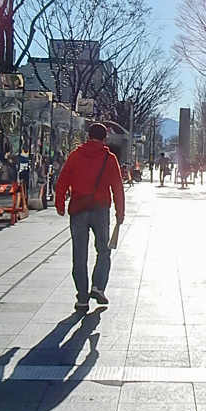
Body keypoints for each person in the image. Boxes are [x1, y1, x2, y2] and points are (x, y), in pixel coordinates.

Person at [55, 123, 125, 313]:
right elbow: (117, 186)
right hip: (101, 209)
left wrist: (60, 204)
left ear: (88, 137)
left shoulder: (75, 156)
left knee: (79, 253)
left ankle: (82, 298)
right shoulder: (109, 158)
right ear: (105, 139)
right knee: (103, 249)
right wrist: (120, 212)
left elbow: (62, 181)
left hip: (78, 209)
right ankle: (98, 286)